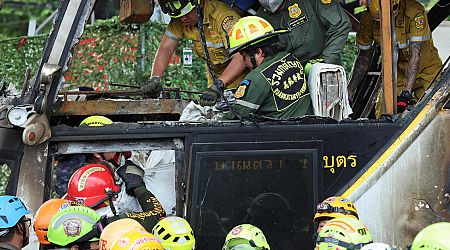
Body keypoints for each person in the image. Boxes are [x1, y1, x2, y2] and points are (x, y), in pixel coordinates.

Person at [141, 0, 248, 105]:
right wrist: (155, 78)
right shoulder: (181, 18)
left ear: (199, 3)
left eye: (186, 13)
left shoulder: (224, 18)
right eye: (179, 16)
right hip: (216, 82)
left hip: (242, 82)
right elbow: (166, 48)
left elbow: (242, 56)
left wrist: (218, 86)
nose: (183, 19)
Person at [348, 0, 442, 115]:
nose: (381, 24)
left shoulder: (414, 11)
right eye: (378, 21)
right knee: (385, 113)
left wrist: (406, 93)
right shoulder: (368, 19)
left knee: (430, 110)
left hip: (427, 70)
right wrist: (349, 91)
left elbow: (415, 54)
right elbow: (364, 58)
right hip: (398, 72)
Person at [223, 16, 314, 120]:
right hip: (308, 123)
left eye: (244, 56)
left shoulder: (257, 77)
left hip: (282, 132)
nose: (244, 62)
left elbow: (237, 115)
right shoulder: (289, 58)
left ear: (258, 52)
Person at [64, 163, 166, 232]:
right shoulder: (114, 223)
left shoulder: (66, 222)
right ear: (109, 197)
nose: (116, 199)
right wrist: (137, 186)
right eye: (114, 196)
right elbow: (158, 216)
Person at [256, 0, 352, 66]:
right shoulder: (258, 20)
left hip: (324, 69)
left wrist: (325, 62)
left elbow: (339, 25)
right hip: (289, 80)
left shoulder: (308, 2)